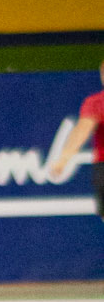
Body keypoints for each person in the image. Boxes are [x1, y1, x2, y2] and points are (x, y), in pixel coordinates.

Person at [46, 65, 104, 216]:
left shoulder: (97, 102)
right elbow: (83, 129)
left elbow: (83, 129)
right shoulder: (97, 103)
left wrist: (64, 159)